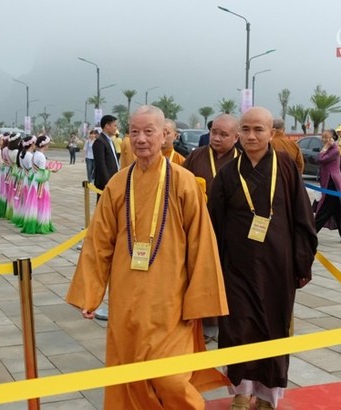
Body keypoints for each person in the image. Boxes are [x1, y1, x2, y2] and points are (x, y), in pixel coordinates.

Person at [66, 105, 229, 409]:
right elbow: (98, 242)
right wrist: (90, 294)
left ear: (164, 135)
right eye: (134, 132)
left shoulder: (183, 182)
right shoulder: (117, 183)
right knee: (129, 374)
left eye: (148, 131)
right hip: (126, 299)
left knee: (172, 378)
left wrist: (201, 299)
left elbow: (201, 244)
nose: (140, 139)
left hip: (170, 301)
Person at [208, 107, 317, 410]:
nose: (251, 136)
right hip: (237, 267)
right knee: (237, 328)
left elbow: (302, 218)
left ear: (272, 133)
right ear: (238, 133)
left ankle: (269, 395)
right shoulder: (229, 173)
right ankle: (242, 392)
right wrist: (212, 266)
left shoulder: (284, 167)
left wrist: (301, 261)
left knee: (273, 328)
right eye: (246, 129)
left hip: (277, 267)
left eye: (259, 129)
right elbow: (213, 224)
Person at [183, 114, 240, 343]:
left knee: (227, 276)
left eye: (223, 135)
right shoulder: (197, 156)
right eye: (214, 132)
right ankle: (205, 322)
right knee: (200, 274)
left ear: (236, 138)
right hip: (198, 226)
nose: (216, 138)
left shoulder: (242, 161)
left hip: (229, 230)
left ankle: (224, 321)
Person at [313, 129, 341, 243]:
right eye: (323, 137)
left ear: (333, 138)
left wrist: (326, 146)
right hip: (329, 182)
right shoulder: (329, 149)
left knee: (324, 210)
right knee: (338, 209)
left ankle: (309, 233)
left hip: (333, 183)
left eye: (327, 137)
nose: (324, 139)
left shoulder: (334, 150)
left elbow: (320, 159)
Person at [93, 115, 120, 194]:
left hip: (113, 180)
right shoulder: (99, 142)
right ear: (107, 126)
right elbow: (101, 165)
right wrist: (108, 182)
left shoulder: (110, 141)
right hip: (105, 183)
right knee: (103, 205)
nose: (116, 128)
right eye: (114, 125)